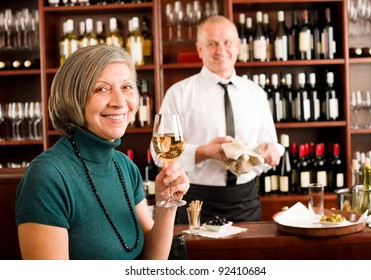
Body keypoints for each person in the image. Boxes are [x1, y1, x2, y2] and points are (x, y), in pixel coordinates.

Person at [15, 44, 189, 260]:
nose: (119, 102)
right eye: (101, 89)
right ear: (74, 98)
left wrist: (166, 203)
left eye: (126, 87)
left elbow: (152, 262)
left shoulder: (124, 166)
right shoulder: (47, 176)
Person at [152, 16, 283, 223]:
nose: (220, 50)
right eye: (212, 44)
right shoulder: (178, 93)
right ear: (200, 50)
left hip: (246, 201)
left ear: (238, 45)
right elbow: (158, 155)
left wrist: (271, 152)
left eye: (227, 42)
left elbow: (269, 145)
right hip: (194, 202)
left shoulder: (255, 93)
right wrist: (204, 152)